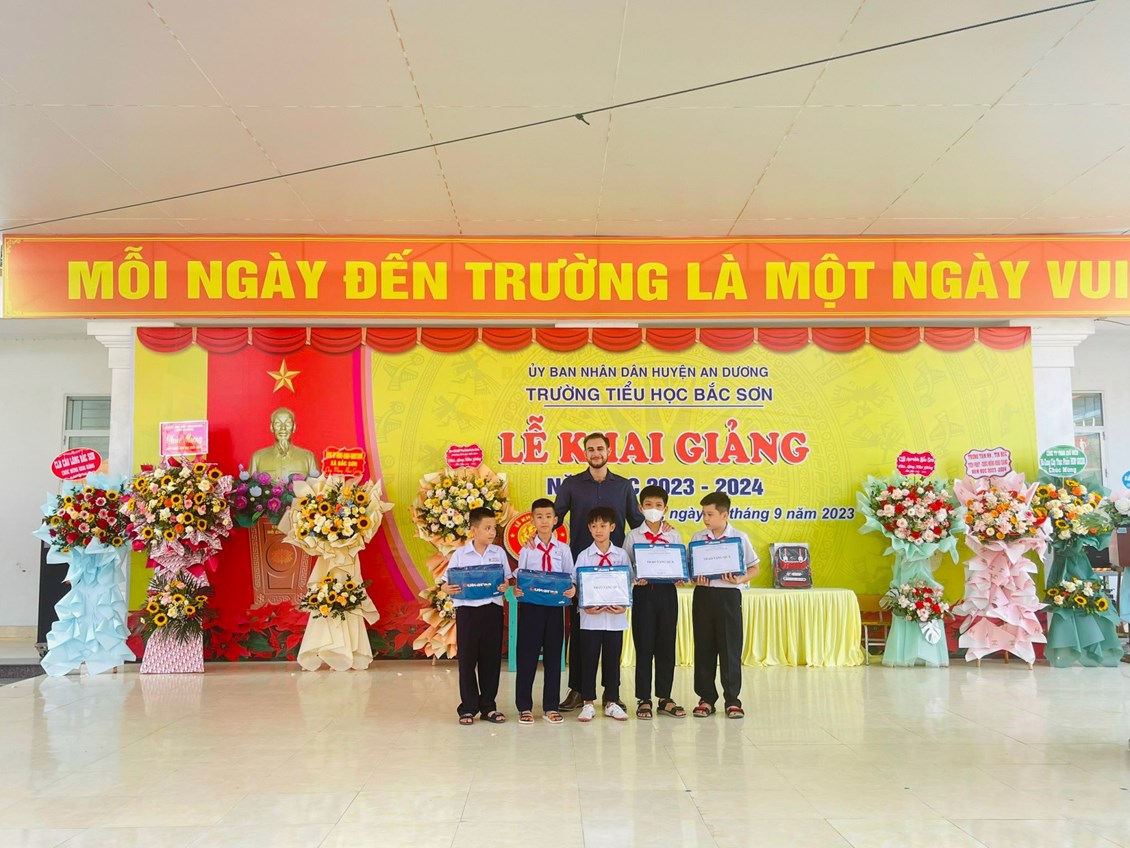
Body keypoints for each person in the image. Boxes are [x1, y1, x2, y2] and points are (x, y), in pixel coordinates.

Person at [553, 432, 644, 711]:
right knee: (581, 633)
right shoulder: (571, 484)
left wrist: (661, 531)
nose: (595, 453)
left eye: (600, 448)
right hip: (582, 568)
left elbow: (637, 523)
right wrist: (533, 535)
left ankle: (611, 694)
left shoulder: (624, 486)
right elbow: (554, 518)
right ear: (585, 453)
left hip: (615, 570)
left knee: (612, 637)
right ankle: (578, 690)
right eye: (590, 449)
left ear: (608, 451)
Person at [689, 491, 759, 720]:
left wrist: (740, 579)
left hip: (729, 596)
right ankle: (706, 699)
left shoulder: (739, 537)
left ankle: (733, 700)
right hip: (703, 595)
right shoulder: (698, 537)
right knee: (704, 648)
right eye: (703, 514)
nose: (705, 519)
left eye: (710, 514)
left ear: (724, 515)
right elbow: (690, 570)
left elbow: (754, 567)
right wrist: (695, 578)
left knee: (730, 648)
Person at [439, 507, 509, 726]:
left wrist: (505, 585)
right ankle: (468, 707)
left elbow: (506, 580)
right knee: (467, 660)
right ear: (474, 530)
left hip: (492, 611)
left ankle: (489, 707)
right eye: (487, 528)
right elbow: (445, 582)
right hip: (468, 612)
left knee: (491, 660)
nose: (492, 532)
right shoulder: (460, 555)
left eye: (494, 528)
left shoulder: (498, 553)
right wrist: (446, 588)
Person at [624, 484, 685, 720]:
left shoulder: (673, 535)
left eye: (658, 505)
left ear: (665, 509)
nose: (653, 509)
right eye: (648, 505)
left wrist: (680, 575)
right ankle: (643, 698)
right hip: (643, 595)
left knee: (666, 645)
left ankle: (664, 697)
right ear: (640, 508)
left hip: (667, 594)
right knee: (644, 646)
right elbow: (626, 566)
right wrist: (634, 578)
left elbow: (681, 563)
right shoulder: (633, 536)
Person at [512, 498, 575, 725]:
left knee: (553, 657)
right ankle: (524, 707)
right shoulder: (527, 549)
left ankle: (551, 706)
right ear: (532, 520)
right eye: (539, 517)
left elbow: (571, 575)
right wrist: (517, 589)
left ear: (556, 520)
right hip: (531, 608)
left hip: (555, 610)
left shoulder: (563, 549)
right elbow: (521, 575)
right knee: (527, 657)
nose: (544, 521)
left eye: (548, 516)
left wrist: (572, 589)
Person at [574, 506, 632, 722]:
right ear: (589, 528)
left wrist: (624, 605)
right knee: (588, 660)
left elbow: (628, 582)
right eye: (594, 526)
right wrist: (584, 605)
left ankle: (612, 702)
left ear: (612, 527)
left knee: (612, 661)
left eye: (603, 525)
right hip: (590, 618)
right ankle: (588, 702)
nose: (598, 530)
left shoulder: (621, 555)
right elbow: (576, 584)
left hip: (615, 619)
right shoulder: (584, 556)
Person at [248, 407, 320, 479]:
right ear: (272, 427)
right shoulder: (257, 457)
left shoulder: (308, 457)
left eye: (288, 424)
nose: (283, 428)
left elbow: (318, 485)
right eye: (278, 424)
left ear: (294, 427)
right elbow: (250, 484)